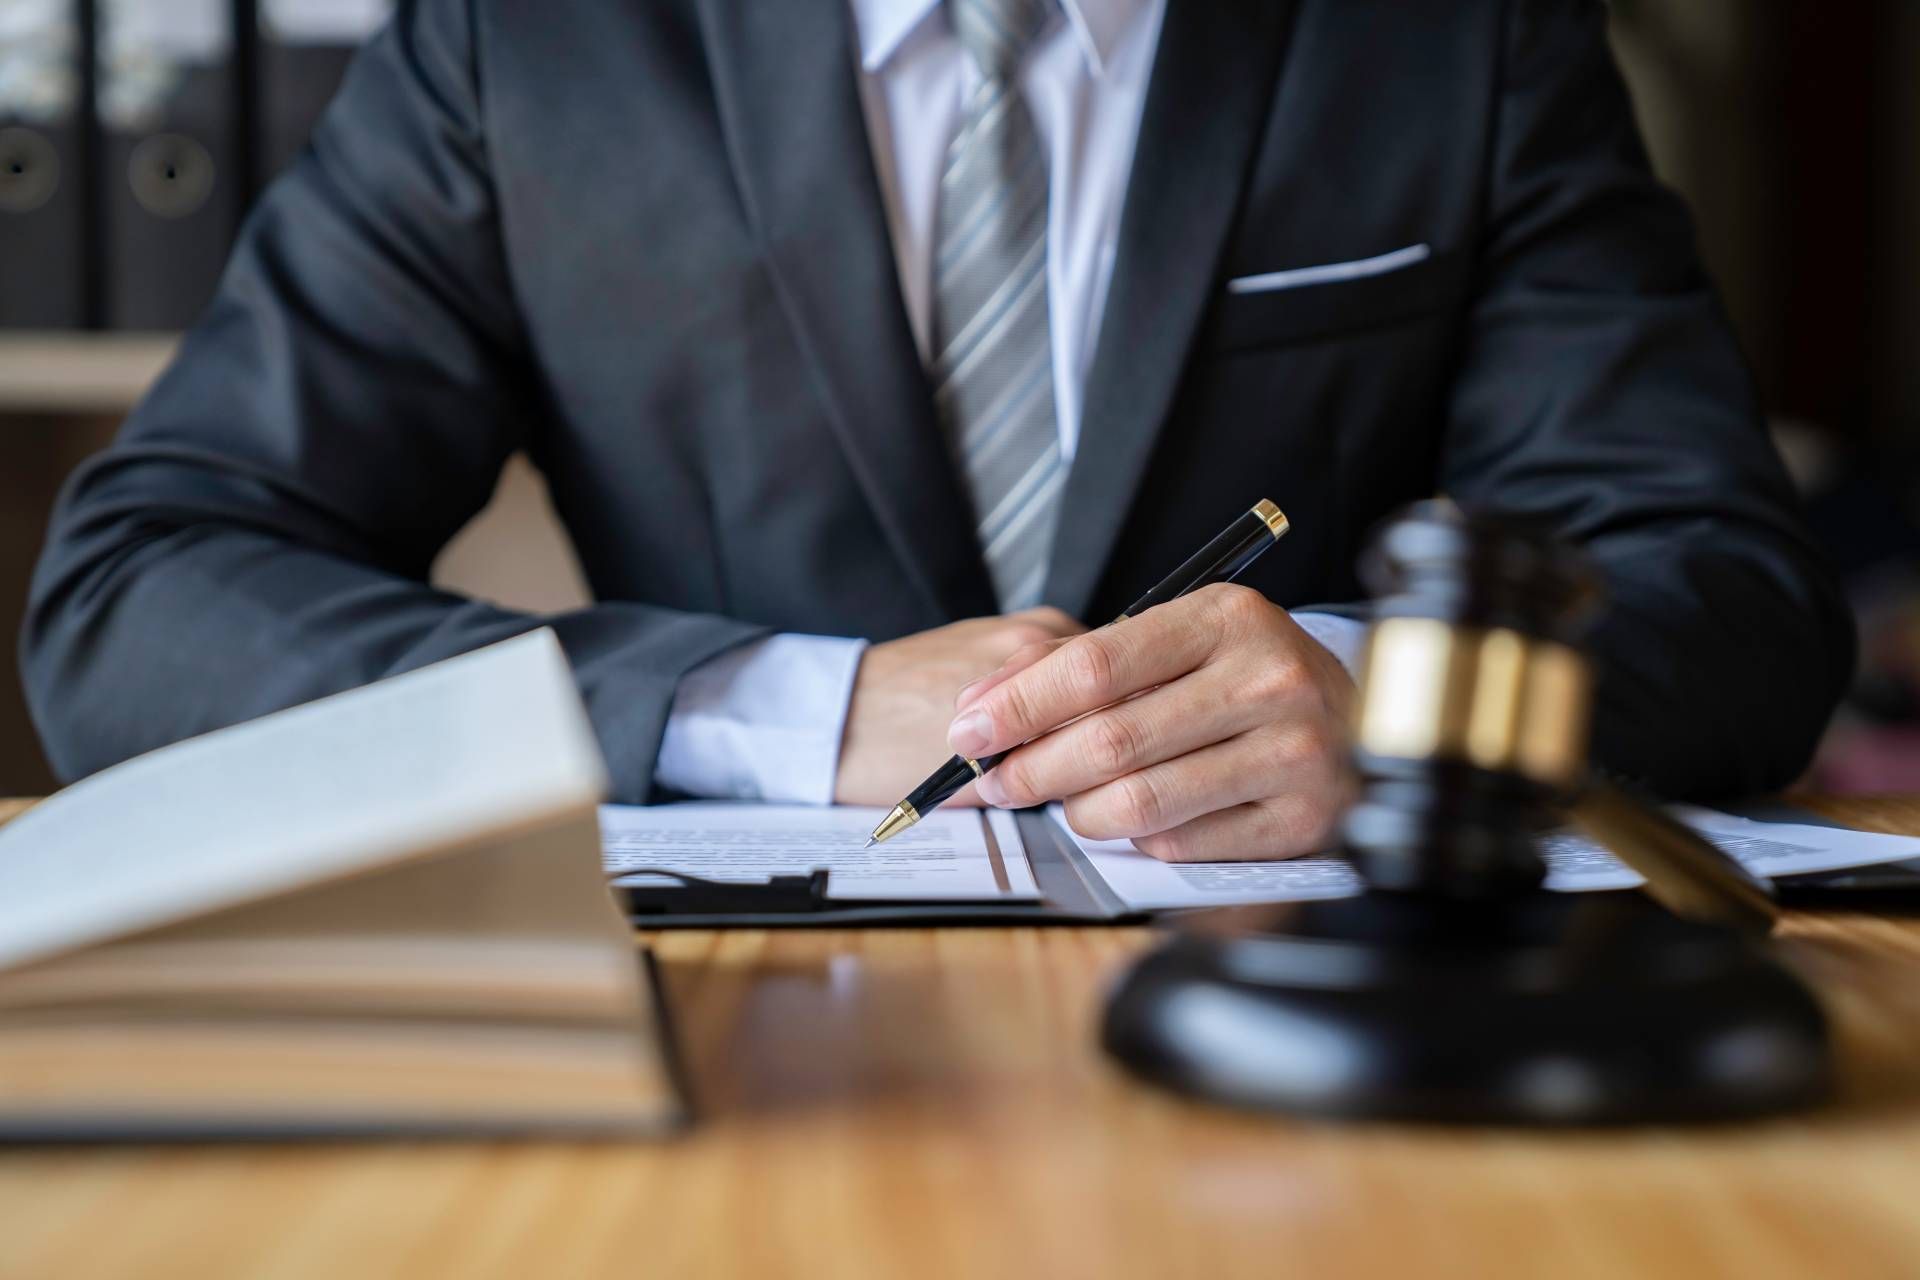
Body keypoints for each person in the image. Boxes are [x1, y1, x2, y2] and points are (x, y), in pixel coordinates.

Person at [22, 0, 1852, 861]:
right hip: (746, 1060)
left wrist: (1381, 701)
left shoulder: (1458, 39)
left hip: (1335, 1033)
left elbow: (1737, 601)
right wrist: (777, 712)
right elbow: (138, 602)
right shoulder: (528, 44)